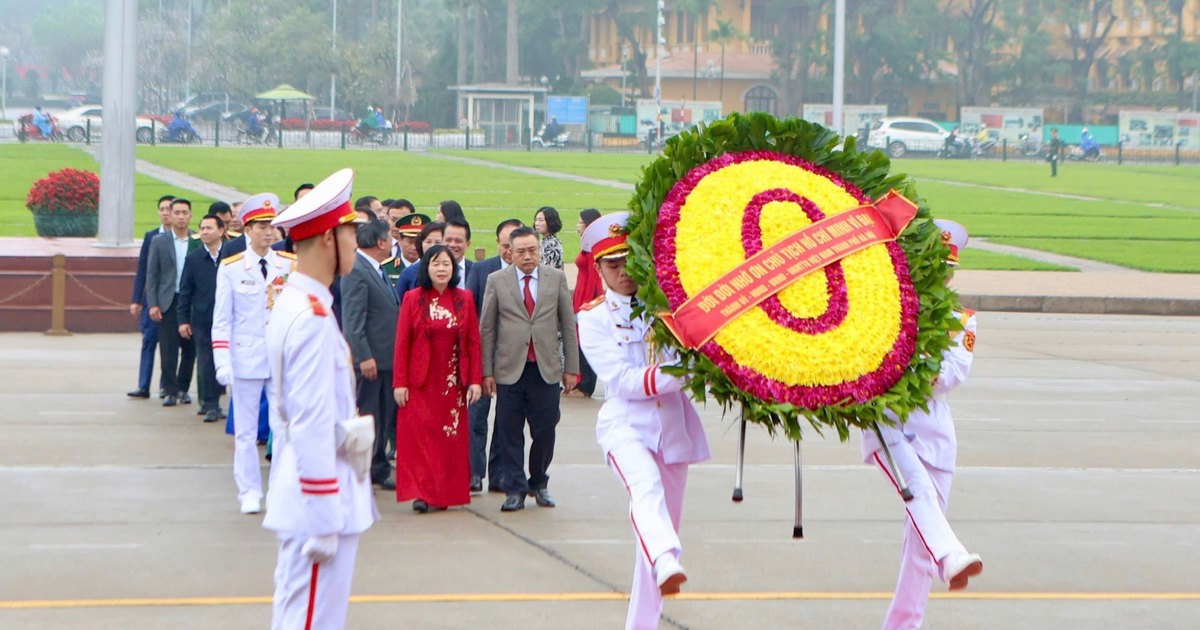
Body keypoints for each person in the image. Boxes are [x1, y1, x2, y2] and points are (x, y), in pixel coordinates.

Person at [576, 212, 711, 630]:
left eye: (627, 262)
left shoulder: (666, 306)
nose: (622, 273)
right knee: (644, 489)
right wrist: (685, 373)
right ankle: (669, 554)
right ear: (597, 269)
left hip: (672, 428)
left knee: (650, 540)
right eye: (612, 265)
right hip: (625, 426)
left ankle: (644, 617)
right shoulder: (592, 317)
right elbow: (621, 380)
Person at [263, 167, 379, 630]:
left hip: (313, 489)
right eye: (351, 231)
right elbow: (311, 422)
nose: (356, 241)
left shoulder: (300, 302)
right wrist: (326, 516)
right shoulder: (310, 317)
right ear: (330, 236)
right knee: (311, 621)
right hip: (319, 499)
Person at [860, 219, 982, 629]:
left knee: (919, 552)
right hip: (888, 425)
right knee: (921, 499)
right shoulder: (890, 307)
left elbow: (952, 373)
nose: (939, 274)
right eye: (932, 264)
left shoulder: (961, 318)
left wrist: (913, 367)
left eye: (946, 268)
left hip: (936, 438)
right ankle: (953, 555)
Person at [479, 226, 580, 512]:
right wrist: (487, 371)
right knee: (509, 432)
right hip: (510, 370)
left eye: (532, 250)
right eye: (521, 251)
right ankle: (515, 488)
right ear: (510, 252)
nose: (527, 256)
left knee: (545, 429)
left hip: (545, 369)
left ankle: (539, 482)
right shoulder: (496, 281)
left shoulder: (556, 278)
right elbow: (487, 328)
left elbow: (568, 326)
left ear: (539, 250)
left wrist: (571, 367)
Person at [212, 194, 297, 515]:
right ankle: (249, 490)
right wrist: (223, 362)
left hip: (279, 360)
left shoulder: (288, 265)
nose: (267, 232)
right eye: (261, 226)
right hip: (245, 359)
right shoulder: (233, 268)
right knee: (246, 432)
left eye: (271, 226)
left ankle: (278, 488)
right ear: (247, 230)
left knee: (282, 426)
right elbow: (222, 321)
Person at [392, 244, 483, 512]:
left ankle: (444, 493)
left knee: (449, 440)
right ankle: (423, 493)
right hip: (420, 381)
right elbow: (402, 343)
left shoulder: (464, 298)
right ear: (426, 268)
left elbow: (474, 343)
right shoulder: (413, 298)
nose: (441, 269)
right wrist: (400, 383)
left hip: (452, 382)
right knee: (421, 439)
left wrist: (475, 380)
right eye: (435, 264)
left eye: (446, 264)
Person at [341, 218, 400, 491]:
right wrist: (363, 356)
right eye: (390, 238)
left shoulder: (375, 268)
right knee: (368, 417)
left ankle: (377, 466)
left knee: (381, 417)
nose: (392, 243)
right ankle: (363, 468)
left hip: (386, 360)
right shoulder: (357, 270)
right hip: (371, 362)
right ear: (379, 242)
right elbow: (353, 321)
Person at [465, 218, 523, 492]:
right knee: (476, 416)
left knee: (507, 421)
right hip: (482, 355)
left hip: (515, 359)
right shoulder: (481, 270)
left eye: (515, 246)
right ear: (498, 244)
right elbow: (470, 313)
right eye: (505, 245)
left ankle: (500, 474)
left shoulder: (533, 274)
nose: (510, 251)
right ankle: (474, 473)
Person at [146, 198, 198, 407]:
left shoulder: (197, 240)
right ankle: (170, 390)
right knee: (168, 349)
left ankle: (183, 389)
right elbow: (152, 275)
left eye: (185, 213)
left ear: (190, 215)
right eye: (176, 212)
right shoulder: (160, 241)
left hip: (191, 300)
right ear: (170, 214)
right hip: (168, 299)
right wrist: (153, 303)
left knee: (190, 348)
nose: (180, 217)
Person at [178, 214, 227, 422]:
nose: (205, 232)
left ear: (221, 230)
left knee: (223, 361)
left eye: (209, 228)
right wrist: (183, 320)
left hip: (228, 318)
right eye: (202, 228)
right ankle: (210, 404)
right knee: (206, 361)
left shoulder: (232, 256)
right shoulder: (194, 259)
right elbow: (185, 291)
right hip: (203, 319)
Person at [128, 195, 175, 399]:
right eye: (162, 209)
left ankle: (167, 386)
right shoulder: (151, 236)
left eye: (169, 209)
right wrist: (137, 299)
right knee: (148, 341)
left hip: (172, 302)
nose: (165, 213)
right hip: (152, 300)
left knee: (169, 346)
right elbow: (144, 270)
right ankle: (143, 385)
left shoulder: (185, 238)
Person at [572, 209, 604, 398]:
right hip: (580, 293)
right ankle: (579, 382)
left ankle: (585, 385)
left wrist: (589, 303)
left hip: (587, 295)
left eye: (580, 222)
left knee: (584, 339)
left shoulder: (593, 247)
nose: (577, 226)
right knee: (577, 339)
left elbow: (594, 276)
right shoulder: (587, 244)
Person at [394, 221, 445, 300]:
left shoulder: (452, 269)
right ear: (421, 243)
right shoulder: (409, 272)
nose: (432, 246)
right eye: (428, 242)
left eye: (438, 242)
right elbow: (398, 303)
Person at [384, 213, 429, 283]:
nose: (414, 247)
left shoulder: (429, 268)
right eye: (409, 242)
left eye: (418, 242)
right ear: (400, 240)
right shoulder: (387, 267)